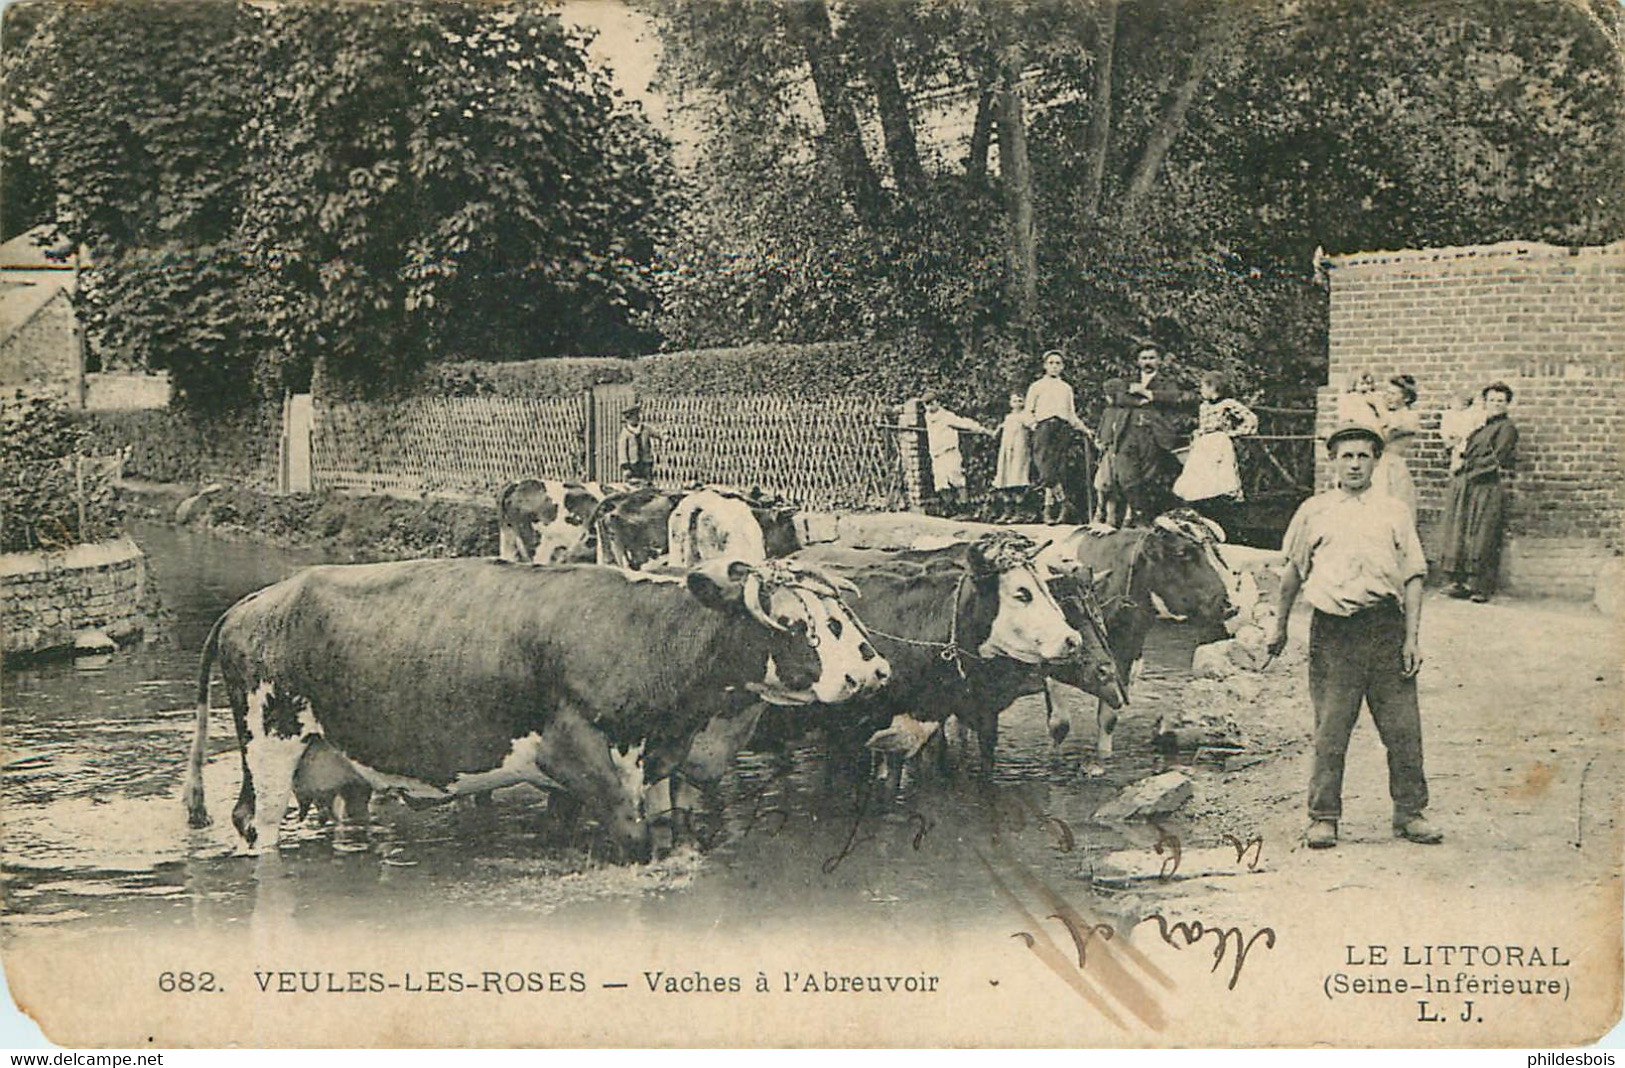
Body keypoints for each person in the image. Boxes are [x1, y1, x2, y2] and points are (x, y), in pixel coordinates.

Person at [1268, 423, 1440, 850]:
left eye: (1364, 456)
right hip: (1334, 632)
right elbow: (1292, 574)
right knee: (1332, 729)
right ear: (1334, 462)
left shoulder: (1394, 511)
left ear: (1376, 462)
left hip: (1384, 627)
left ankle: (1410, 812)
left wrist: (1412, 638)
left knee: (1403, 729)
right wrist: (1279, 627)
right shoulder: (1314, 510)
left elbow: (1415, 575)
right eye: (1347, 456)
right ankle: (1323, 816)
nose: (1355, 464)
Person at [1439, 382, 1518, 603]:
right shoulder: (1480, 426)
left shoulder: (1507, 428)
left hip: (1485, 486)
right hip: (1468, 485)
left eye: (1501, 401)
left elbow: (1496, 458)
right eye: (1492, 400)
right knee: (1463, 531)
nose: (1496, 404)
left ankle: (1481, 586)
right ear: (1485, 402)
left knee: (1483, 534)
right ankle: (1461, 583)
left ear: (1507, 404)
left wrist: (1468, 467)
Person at [1114, 344, 1192, 524]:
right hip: (1129, 432)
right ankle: (1137, 512)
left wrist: (1147, 393)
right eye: (1144, 358)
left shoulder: (1166, 381)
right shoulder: (1129, 379)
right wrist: (1141, 402)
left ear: (1158, 360)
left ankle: (1143, 518)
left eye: (1151, 358)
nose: (1147, 362)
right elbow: (1119, 398)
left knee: (1149, 477)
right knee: (1126, 476)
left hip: (1152, 434)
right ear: (1137, 361)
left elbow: (1174, 397)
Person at [1023, 350, 1090, 522]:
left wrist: (1085, 429)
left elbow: (1071, 414)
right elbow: (1027, 412)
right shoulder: (1036, 386)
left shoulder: (1066, 388)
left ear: (1062, 366)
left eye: (1058, 363)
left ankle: (1048, 511)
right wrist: (1034, 425)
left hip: (1062, 429)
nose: (1054, 366)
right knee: (1045, 470)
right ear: (1045, 365)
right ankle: (1064, 502)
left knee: (1057, 470)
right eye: (1051, 363)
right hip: (1043, 428)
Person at [1173, 370, 1258, 503]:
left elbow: (1250, 419)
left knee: (1219, 473)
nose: (1201, 391)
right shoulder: (1204, 406)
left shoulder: (1227, 404)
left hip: (1219, 442)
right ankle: (1201, 500)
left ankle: (1219, 501)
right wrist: (1198, 433)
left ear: (1213, 387)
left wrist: (1235, 433)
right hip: (1203, 443)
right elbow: (1203, 426)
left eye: (1203, 387)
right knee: (1200, 473)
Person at [921, 391, 994, 506]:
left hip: (949, 452)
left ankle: (964, 507)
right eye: (926, 404)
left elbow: (964, 423)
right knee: (941, 483)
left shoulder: (946, 416)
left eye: (931, 402)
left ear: (938, 402)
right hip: (936, 454)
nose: (929, 406)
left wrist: (982, 430)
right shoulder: (927, 417)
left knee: (956, 479)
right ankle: (951, 508)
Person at [1371, 373, 1420, 514]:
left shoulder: (1409, 417)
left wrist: (1379, 408)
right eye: (1386, 393)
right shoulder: (1387, 415)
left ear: (1406, 398)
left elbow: (1383, 438)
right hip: (1377, 466)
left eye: (1393, 394)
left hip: (1393, 466)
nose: (1387, 397)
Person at [1092, 377, 1132, 526]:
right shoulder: (1108, 411)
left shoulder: (1127, 411)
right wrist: (1099, 441)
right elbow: (1102, 429)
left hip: (1123, 453)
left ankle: (1127, 517)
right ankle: (1104, 513)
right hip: (1107, 452)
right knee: (1103, 483)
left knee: (1124, 484)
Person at [1437, 389, 1484, 476]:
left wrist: (1462, 436)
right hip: (1454, 445)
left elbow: (1470, 430)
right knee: (1455, 460)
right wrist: (1450, 437)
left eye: (1455, 402)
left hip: (1466, 446)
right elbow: (1445, 431)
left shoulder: (1470, 415)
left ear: (1465, 405)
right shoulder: (1450, 415)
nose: (1451, 405)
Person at [617, 404, 657, 482]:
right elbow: (622, 450)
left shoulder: (645, 429)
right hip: (633, 463)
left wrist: (664, 436)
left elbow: (656, 433)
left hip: (646, 461)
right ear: (627, 419)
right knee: (633, 483)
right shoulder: (625, 433)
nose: (634, 419)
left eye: (636, 417)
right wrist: (625, 466)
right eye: (631, 418)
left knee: (647, 481)